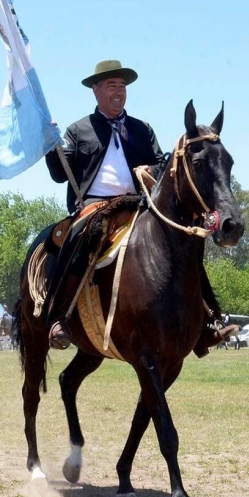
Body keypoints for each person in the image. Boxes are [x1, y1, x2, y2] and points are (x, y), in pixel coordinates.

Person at [42, 60, 167, 349]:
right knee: (79, 237)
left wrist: (152, 172)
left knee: (182, 235)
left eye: (122, 86)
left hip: (140, 204)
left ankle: (208, 318)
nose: (119, 91)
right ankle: (58, 315)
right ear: (96, 90)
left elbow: (162, 165)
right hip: (95, 206)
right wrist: (51, 146)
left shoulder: (142, 129)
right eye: (112, 85)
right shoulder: (78, 130)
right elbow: (61, 174)